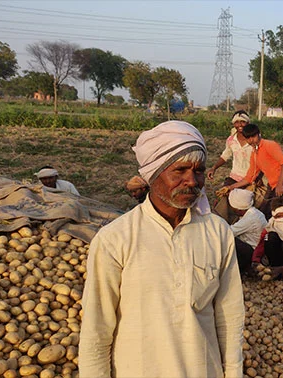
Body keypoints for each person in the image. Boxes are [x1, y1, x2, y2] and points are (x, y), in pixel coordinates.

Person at [79, 120, 244, 377]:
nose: (192, 181)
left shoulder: (218, 232)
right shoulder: (116, 239)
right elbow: (96, 331)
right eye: (179, 171)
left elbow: (230, 318)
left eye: (198, 170)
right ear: (153, 174)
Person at [224, 123, 283, 219]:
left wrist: (280, 184)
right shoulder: (255, 154)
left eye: (253, 137)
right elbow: (249, 178)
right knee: (264, 210)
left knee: (273, 210)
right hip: (273, 184)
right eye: (248, 138)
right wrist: (230, 187)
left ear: (259, 134)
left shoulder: (269, 145)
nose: (251, 140)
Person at [208, 110, 256, 222]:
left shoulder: (254, 139)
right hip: (234, 177)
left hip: (250, 178)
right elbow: (226, 155)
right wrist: (214, 168)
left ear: (248, 123)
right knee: (225, 196)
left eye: (243, 122)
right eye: (237, 122)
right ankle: (221, 223)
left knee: (247, 203)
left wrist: (257, 177)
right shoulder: (231, 140)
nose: (240, 125)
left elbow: (261, 159)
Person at [228, 188, 268, 276]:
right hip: (258, 249)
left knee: (229, 240)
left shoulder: (250, 218)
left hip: (253, 252)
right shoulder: (255, 212)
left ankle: (243, 268)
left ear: (238, 209)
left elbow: (228, 232)